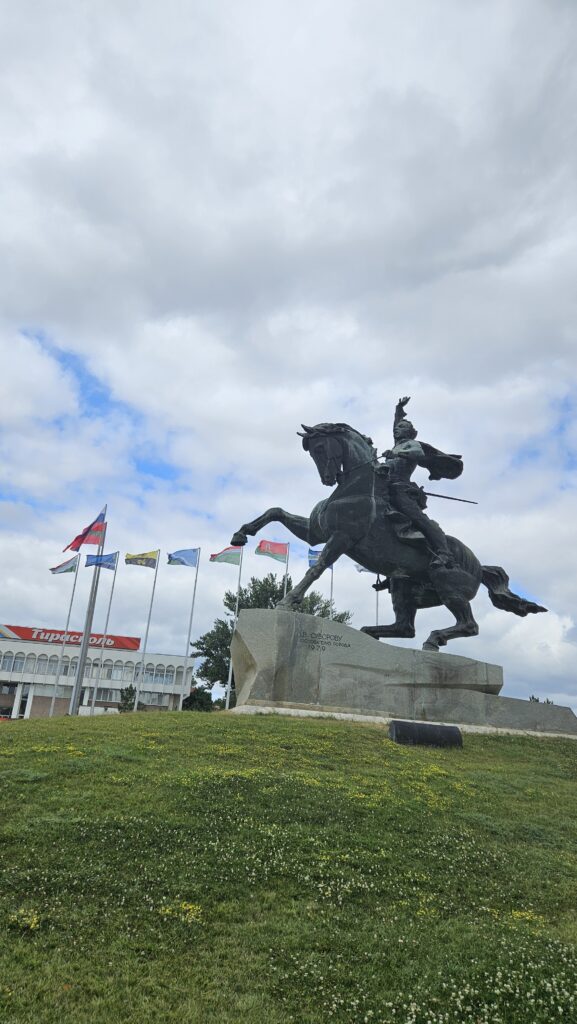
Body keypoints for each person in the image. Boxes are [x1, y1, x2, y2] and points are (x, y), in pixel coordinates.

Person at [381, 397, 463, 570]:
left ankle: (444, 552)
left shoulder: (412, 444)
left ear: (410, 432)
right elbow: (395, 424)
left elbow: (417, 454)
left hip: (401, 488)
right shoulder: (397, 444)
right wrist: (398, 410)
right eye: (396, 429)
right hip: (383, 487)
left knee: (419, 519)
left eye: (401, 427)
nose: (397, 430)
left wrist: (397, 455)